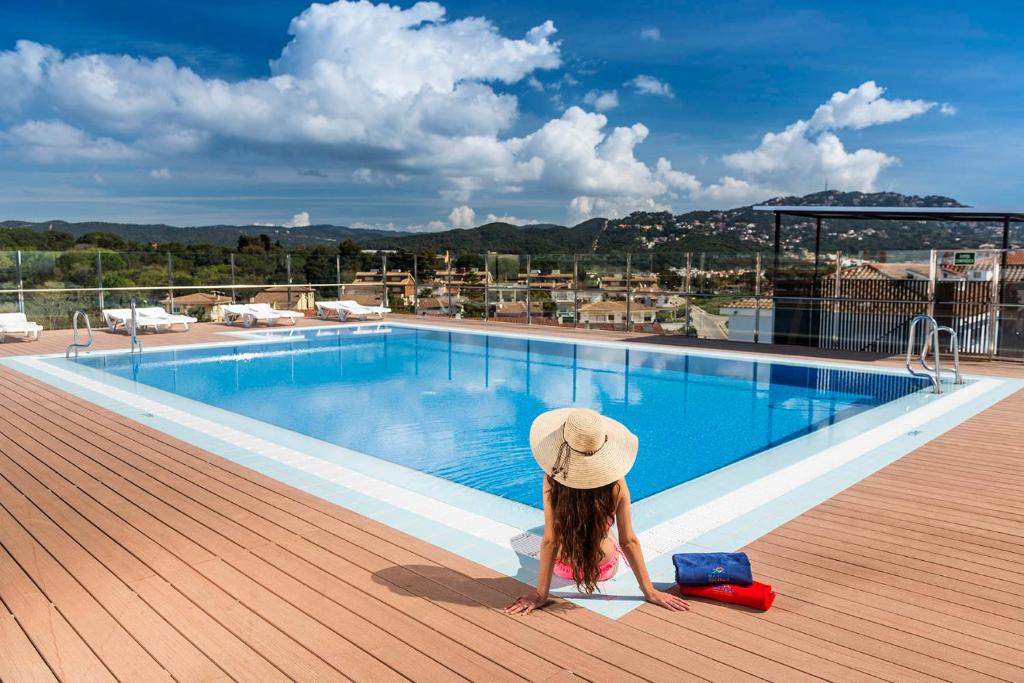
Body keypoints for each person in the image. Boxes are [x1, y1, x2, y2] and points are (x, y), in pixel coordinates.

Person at [505, 408, 689, 615]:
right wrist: (649, 591)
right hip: (604, 569)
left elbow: (550, 541)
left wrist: (541, 594)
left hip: (563, 568)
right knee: (604, 528)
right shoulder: (616, 484)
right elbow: (628, 541)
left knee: (563, 526)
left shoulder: (552, 479)